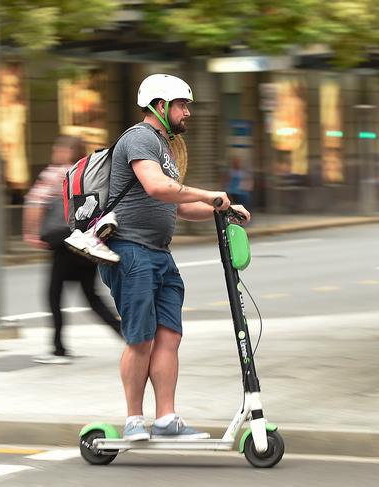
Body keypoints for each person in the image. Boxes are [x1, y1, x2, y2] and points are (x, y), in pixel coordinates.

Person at [97, 74, 250, 440]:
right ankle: (134, 419)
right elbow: (157, 187)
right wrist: (210, 193)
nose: (188, 112)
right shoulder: (139, 138)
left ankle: (165, 418)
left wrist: (220, 210)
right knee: (140, 339)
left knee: (169, 337)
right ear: (160, 106)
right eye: (182, 104)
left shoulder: (165, 148)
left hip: (160, 254)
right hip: (131, 251)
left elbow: (177, 207)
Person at [23, 135, 122, 365]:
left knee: (54, 295)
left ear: (68, 151)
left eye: (59, 147)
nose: (55, 151)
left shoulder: (55, 173)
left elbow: (35, 203)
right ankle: (127, 335)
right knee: (92, 296)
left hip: (63, 242)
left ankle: (58, 349)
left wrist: (30, 232)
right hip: (87, 240)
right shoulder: (86, 172)